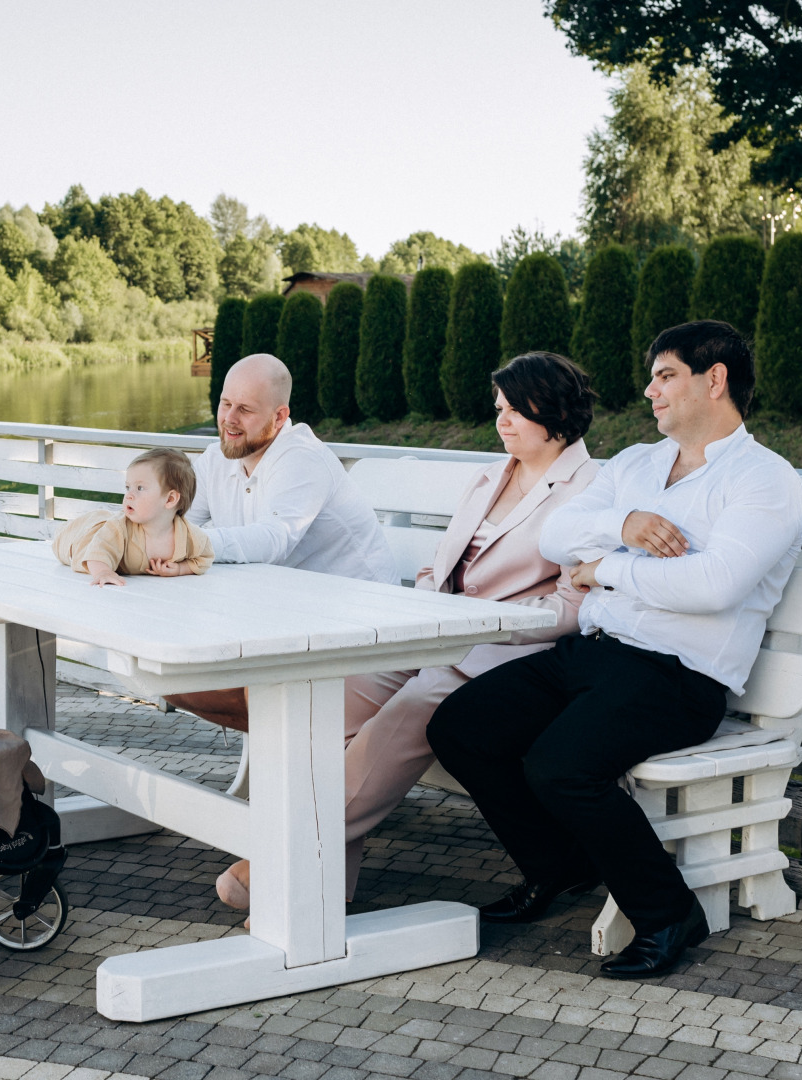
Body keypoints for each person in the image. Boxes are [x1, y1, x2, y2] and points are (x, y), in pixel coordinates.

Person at [428, 320, 802, 979]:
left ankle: (666, 914)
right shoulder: (635, 463)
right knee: (461, 726)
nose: (648, 390)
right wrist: (624, 526)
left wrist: (601, 570)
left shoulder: (762, 481)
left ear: (713, 379)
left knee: (559, 766)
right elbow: (555, 536)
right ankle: (560, 867)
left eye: (664, 376)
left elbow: (712, 587)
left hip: (679, 676)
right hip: (598, 652)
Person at [212, 352, 602, 914]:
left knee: (411, 709)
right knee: (327, 700)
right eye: (499, 408)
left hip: (501, 654)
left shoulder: (585, 489)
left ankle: (281, 855)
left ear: (558, 412)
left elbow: (574, 606)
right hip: (431, 632)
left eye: (517, 409)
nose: (503, 420)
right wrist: (417, 614)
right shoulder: (493, 474)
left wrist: (483, 622)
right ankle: (326, 890)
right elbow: (438, 568)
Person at [167, 352, 396, 731]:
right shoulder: (216, 458)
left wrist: (183, 546)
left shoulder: (300, 459)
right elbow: (176, 521)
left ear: (279, 417)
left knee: (193, 680)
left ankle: (291, 774)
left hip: (361, 639)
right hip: (290, 630)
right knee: (172, 676)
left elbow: (274, 539)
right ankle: (283, 769)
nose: (229, 419)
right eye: (225, 404)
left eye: (245, 409)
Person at [53, 447, 214, 585]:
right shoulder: (118, 528)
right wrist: (103, 572)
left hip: (105, 526)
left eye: (140, 488)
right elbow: (98, 552)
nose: (129, 495)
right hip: (85, 537)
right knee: (68, 540)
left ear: (170, 499)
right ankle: (64, 531)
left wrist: (180, 569)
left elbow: (205, 557)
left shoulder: (189, 536)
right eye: (128, 487)